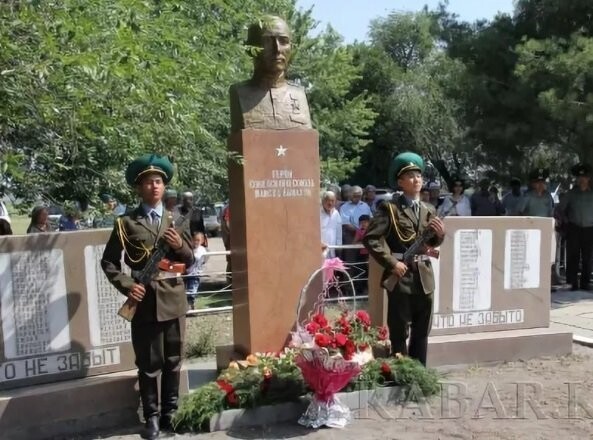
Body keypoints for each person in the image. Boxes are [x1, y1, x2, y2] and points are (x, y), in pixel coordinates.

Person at [101, 154, 194, 439]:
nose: (155, 186)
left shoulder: (176, 220)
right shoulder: (126, 222)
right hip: (144, 302)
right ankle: (151, 417)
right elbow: (109, 262)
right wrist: (128, 286)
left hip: (174, 300)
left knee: (173, 360)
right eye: (149, 182)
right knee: (149, 364)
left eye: (159, 182)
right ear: (139, 187)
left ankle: (170, 413)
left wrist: (180, 245)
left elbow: (189, 260)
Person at [363, 152, 445, 366]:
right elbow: (371, 239)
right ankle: (401, 374)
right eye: (410, 176)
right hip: (401, 275)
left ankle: (419, 373)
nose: (416, 179)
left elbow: (431, 243)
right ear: (400, 182)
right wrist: (392, 263)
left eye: (418, 175)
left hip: (424, 276)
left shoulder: (429, 209)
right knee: (399, 331)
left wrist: (440, 235)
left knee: (422, 330)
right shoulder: (389, 208)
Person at [229, 15, 311, 131]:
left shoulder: (299, 94)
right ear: (250, 50)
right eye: (267, 41)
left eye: (283, 41)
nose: (277, 49)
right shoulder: (240, 93)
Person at [558, 163, 593, 291]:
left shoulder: (591, 194)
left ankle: (586, 282)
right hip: (574, 228)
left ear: (588, 178)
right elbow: (559, 209)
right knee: (573, 256)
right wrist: (566, 221)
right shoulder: (571, 194)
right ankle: (572, 282)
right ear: (577, 179)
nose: (582, 179)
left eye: (584, 177)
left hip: (589, 229)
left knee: (587, 257)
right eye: (580, 177)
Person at [185, 231, 208, 310]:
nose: (196, 242)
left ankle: (191, 305)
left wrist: (200, 267)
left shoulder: (202, 250)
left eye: (198, 240)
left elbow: (205, 259)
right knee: (185, 290)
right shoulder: (189, 249)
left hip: (195, 273)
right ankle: (187, 305)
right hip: (186, 272)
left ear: (202, 241)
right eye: (194, 240)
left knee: (192, 290)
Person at [320, 191, 342, 259]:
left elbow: (339, 231)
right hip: (320, 249)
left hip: (333, 249)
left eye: (332, 201)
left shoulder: (336, 213)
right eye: (328, 200)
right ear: (323, 201)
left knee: (331, 268)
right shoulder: (317, 213)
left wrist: (339, 246)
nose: (330, 203)